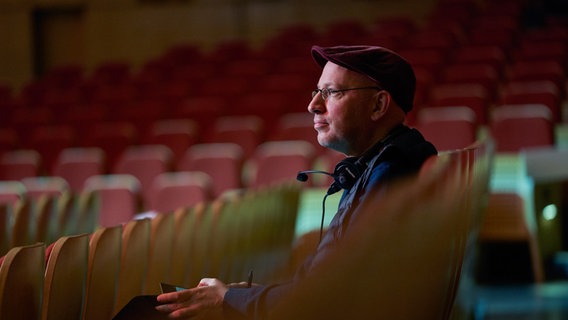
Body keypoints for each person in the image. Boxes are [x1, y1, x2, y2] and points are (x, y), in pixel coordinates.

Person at [155, 45, 438, 319]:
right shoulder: (382, 165)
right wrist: (242, 296)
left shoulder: (391, 173)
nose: (313, 105)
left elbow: (329, 299)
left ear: (378, 104)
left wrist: (228, 299)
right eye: (317, 92)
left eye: (330, 92)